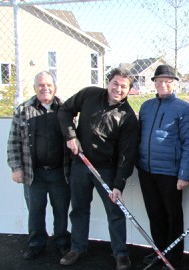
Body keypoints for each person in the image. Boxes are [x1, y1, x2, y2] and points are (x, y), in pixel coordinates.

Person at [57, 67, 139, 270]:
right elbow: (64, 111)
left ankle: (120, 253)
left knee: (115, 211)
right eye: (115, 84)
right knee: (79, 209)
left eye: (123, 86)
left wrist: (118, 184)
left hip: (107, 171)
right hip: (80, 164)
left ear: (129, 89)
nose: (118, 89)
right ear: (108, 82)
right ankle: (77, 248)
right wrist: (71, 136)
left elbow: (126, 156)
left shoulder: (128, 117)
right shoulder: (89, 94)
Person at [137, 64, 189, 269]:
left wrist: (184, 174)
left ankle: (174, 257)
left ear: (174, 83)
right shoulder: (146, 107)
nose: (163, 84)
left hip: (170, 173)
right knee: (154, 214)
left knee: (173, 216)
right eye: (159, 80)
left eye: (168, 80)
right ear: (154, 82)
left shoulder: (184, 109)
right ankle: (160, 252)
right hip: (147, 170)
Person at [7, 71, 71, 260]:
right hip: (33, 173)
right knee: (35, 211)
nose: (45, 88)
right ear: (35, 88)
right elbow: (13, 142)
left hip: (61, 173)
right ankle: (36, 243)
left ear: (55, 87)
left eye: (49, 85)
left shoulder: (65, 110)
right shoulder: (22, 110)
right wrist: (16, 167)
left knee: (61, 210)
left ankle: (62, 242)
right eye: (41, 85)